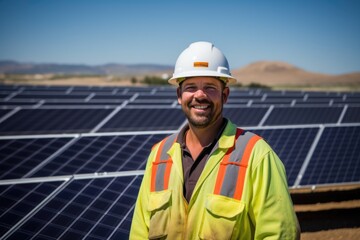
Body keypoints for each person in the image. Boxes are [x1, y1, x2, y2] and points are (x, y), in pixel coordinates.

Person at [130, 41, 300, 239]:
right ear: (179, 95)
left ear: (225, 95)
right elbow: (139, 232)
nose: (200, 95)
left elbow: (280, 234)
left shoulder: (256, 155)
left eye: (210, 87)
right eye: (191, 86)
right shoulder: (158, 156)